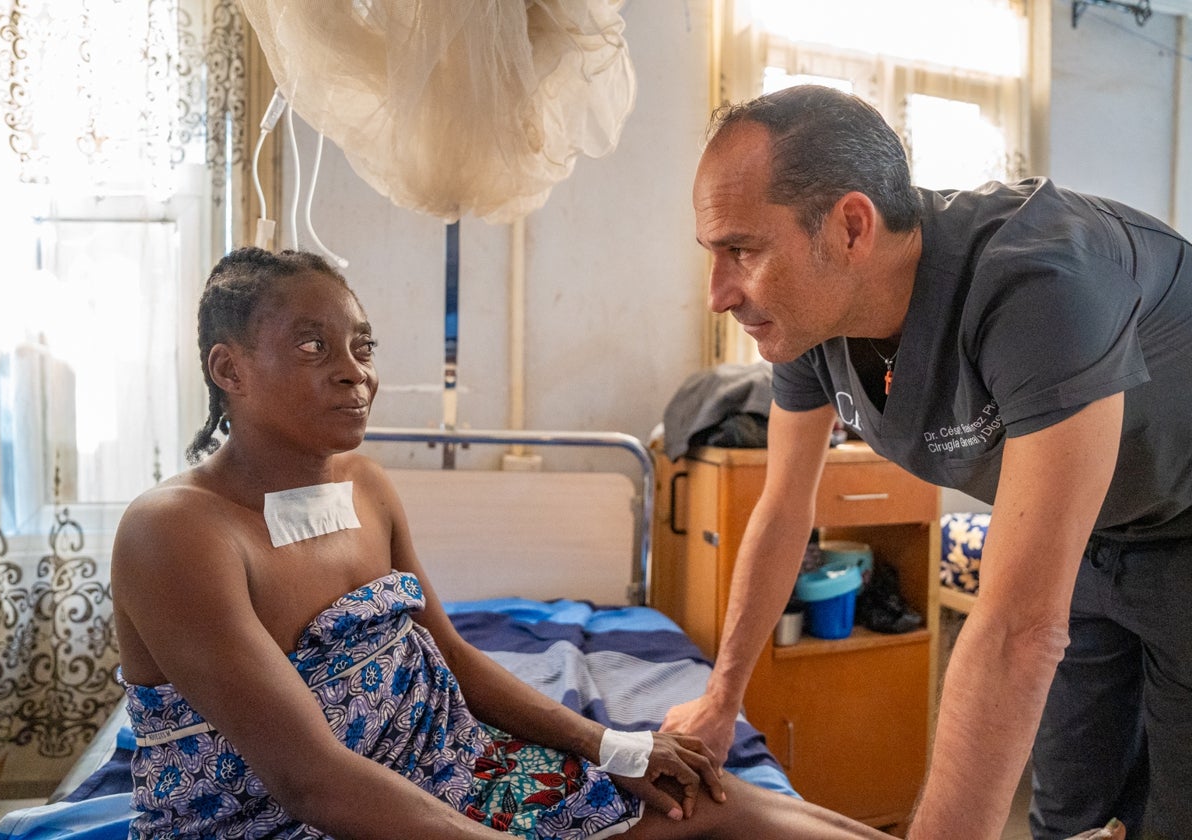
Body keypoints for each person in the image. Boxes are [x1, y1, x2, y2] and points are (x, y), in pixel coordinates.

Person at [111, 247, 914, 839]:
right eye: (313, 345)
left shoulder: (365, 485)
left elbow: (450, 655)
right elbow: (308, 780)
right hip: (290, 820)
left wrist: (615, 745)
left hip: (442, 763)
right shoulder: (176, 534)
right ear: (230, 369)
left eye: (363, 346)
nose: (354, 371)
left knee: (720, 805)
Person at [661, 83, 1191, 840]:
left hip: (1185, 522)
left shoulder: (1041, 284)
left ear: (850, 226)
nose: (718, 293)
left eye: (742, 250)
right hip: (1100, 534)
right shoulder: (815, 327)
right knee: (1070, 806)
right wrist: (721, 699)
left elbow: (1015, 629)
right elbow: (784, 509)